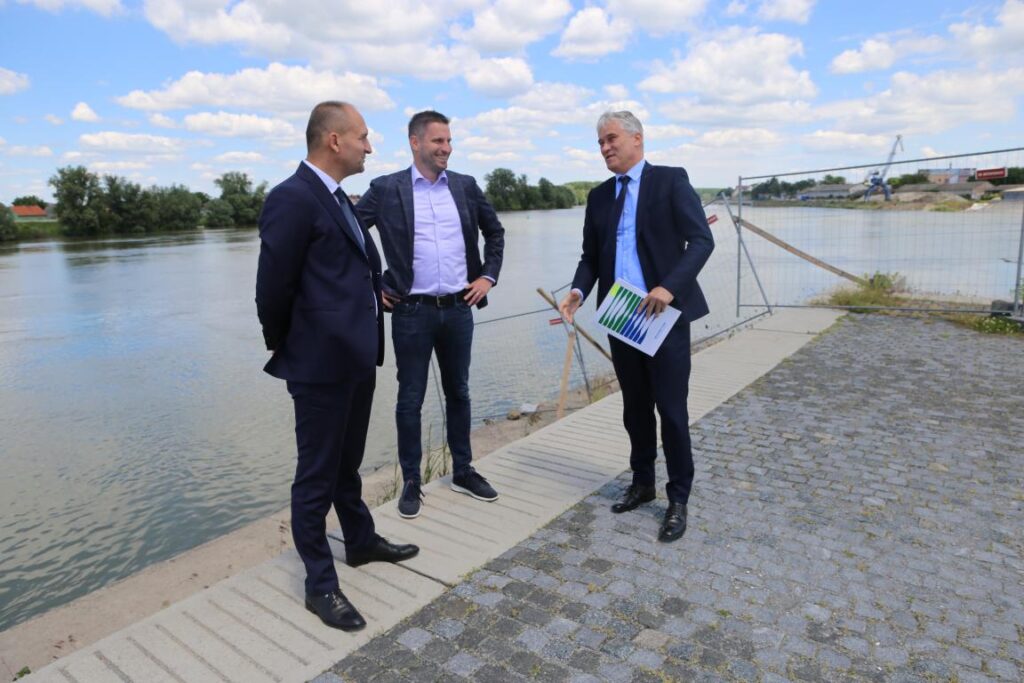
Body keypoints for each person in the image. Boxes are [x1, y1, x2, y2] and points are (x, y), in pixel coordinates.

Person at [256, 101, 418, 631]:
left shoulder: (338, 198)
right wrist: (288, 345)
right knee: (316, 475)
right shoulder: (292, 197)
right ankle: (320, 585)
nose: (369, 146)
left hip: (356, 356)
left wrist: (374, 296)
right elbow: (272, 287)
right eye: (363, 137)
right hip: (319, 363)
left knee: (347, 463)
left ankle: (361, 542)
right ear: (334, 140)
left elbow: (344, 270)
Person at [559, 110, 714, 543]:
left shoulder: (670, 181)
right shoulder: (598, 197)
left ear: (637, 139)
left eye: (611, 139)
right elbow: (591, 257)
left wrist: (669, 287)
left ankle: (678, 498)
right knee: (635, 407)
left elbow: (702, 240)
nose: (605, 148)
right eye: (600, 142)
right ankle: (643, 482)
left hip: (662, 315)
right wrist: (578, 291)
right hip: (621, 313)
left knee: (672, 410)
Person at [356, 110, 505, 520]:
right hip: (411, 312)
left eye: (449, 141)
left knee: (460, 392)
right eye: (438, 141)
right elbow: (347, 234)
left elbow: (495, 232)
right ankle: (411, 481)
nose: (447, 148)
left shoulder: (465, 186)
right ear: (415, 142)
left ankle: (463, 470)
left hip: (459, 308)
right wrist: (370, 286)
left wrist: (488, 276)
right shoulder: (387, 189)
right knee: (410, 398)